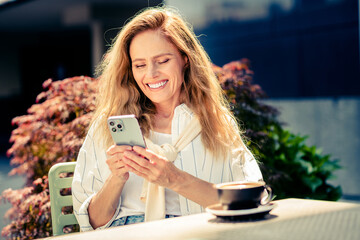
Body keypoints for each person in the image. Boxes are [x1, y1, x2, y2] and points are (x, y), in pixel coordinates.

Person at [72, 6, 263, 231]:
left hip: (197, 231)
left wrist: (175, 179)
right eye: (140, 65)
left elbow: (249, 200)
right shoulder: (108, 125)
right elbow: (91, 222)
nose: (150, 74)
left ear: (185, 59)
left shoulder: (216, 124)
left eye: (162, 61)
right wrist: (116, 178)